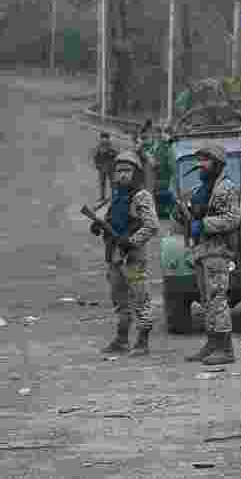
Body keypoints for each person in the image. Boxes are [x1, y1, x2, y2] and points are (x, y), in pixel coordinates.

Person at [172, 143, 240, 365]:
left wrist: (203, 224)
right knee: (206, 300)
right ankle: (212, 344)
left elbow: (232, 219)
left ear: (217, 164)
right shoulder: (201, 189)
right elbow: (190, 215)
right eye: (199, 161)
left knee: (218, 298)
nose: (200, 165)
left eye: (205, 161)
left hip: (218, 251)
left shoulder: (225, 188)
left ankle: (226, 349)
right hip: (202, 252)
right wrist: (181, 213)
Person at [92, 150, 159, 357]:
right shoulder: (116, 196)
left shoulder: (141, 196)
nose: (122, 175)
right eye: (119, 171)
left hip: (133, 258)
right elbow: (111, 219)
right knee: (119, 300)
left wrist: (131, 242)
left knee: (140, 299)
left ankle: (142, 341)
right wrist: (99, 225)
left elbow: (151, 226)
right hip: (114, 257)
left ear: (135, 173)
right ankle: (122, 339)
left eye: (127, 171)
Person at [92, 131, 118, 202]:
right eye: (103, 138)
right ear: (101, 138)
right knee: (103, 183)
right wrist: (97, 165)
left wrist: (110, 153)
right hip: (102, 168)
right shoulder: (99, 146)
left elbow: (116, 155)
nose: (104, 140)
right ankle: (102, 197)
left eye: (105, 138)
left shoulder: (111, 147)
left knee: (112, 183)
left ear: (108, 139)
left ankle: (113, 197)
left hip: (110, 168)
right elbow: (95, 156)